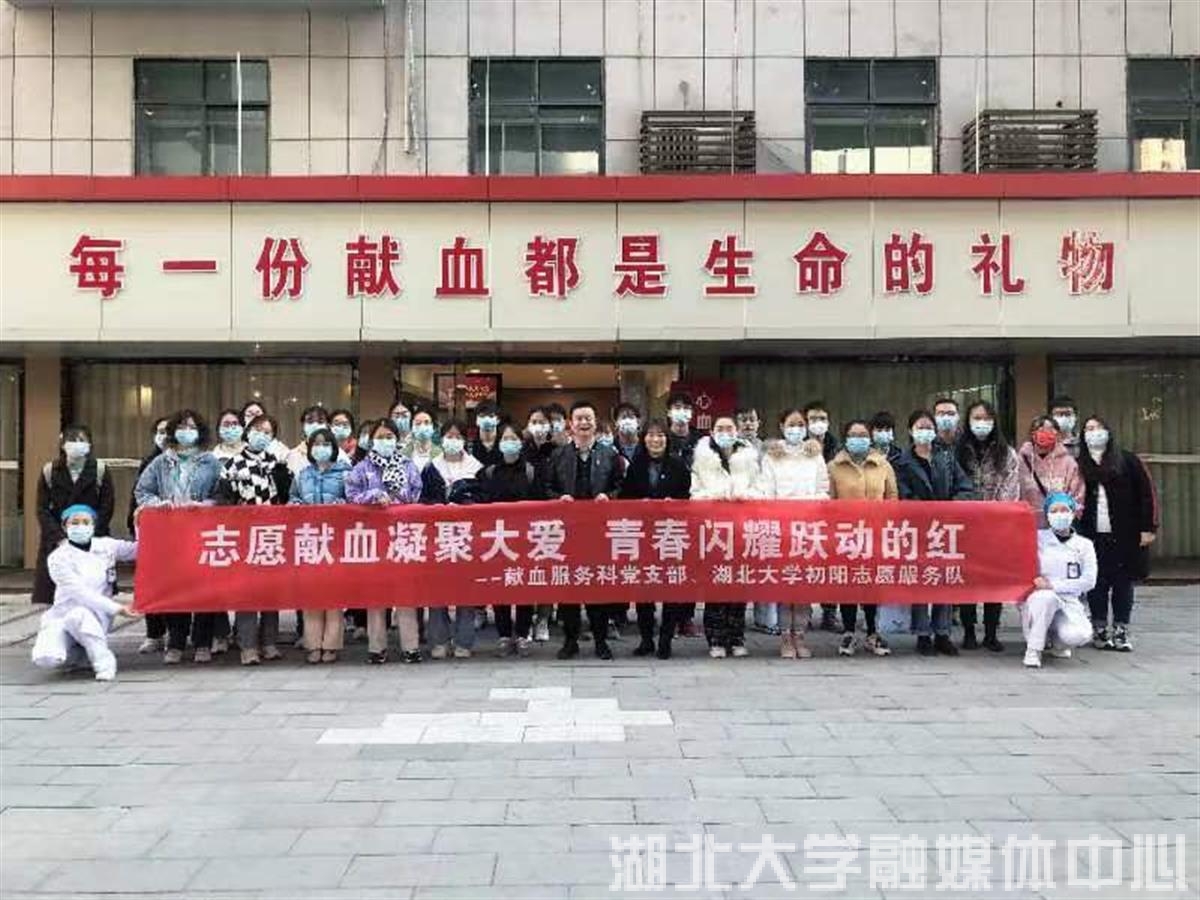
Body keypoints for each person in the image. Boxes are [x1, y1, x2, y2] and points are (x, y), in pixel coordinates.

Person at [134, 409, 223, 664]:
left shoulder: (210, 461)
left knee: (205, 589)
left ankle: (202, 642)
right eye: (182, 427)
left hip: (203, 532)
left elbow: (222, 495)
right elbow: (142, 491)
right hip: (171, 534)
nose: (187, 432)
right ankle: (176, 642)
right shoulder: (161, 462)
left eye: (192, 427)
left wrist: (204, 505)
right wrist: (158, 504)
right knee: (176, 588)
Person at [542, 400, 623, 660]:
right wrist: (559, 498)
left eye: (588, 418)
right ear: (571, 424)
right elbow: (547, 487)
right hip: (567, 533)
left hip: (600, 532)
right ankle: (570, 641)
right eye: (579, 418)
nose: (584, 423)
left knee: (598, 587)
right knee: (569, 589)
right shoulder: (559, 455)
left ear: (595, 422)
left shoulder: (610, 455)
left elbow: (621, 485)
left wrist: (610, 496)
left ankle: (600, 641)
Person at [894, 410, 974, 657]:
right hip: (917, 529)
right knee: (921, 579)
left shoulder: (946, 458)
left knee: (944, 578)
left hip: (946, 528)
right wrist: (923, 510)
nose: (925, 431)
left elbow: (964, 487)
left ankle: (942, 632)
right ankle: (922, 633)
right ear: (910, 431)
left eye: (929, 427)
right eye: (920, 427)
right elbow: (902, 495)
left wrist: (952, 506)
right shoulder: (902, 462)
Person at [31, 505, 139, 682]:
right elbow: (79, 592)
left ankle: (104, 662)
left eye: (85, 522)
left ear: (93, 525)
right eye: (74, 522)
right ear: (65, 526)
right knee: (46, 657)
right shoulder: (58, 558)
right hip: (62, 615)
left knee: (79, 616)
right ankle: (79, 655)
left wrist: (139, 523)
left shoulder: (107, 545)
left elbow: (140, 549)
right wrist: (118, 609)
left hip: (96, 615)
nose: (80, 526)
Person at [216, 414, 292, 665]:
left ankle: (269, 642)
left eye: (268, 432)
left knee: (271, 592)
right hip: (243, 538)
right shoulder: (232, 465)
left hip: (272, 536)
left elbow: (286, 499)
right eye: (258, 429)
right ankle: (248, 645)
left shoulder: (277, 465)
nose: (262, 435)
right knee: (246, 592)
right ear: (248, 431)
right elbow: (223, 502)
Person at [346, 419, 423, 664]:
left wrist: (396, 496)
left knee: (406, 593)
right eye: (380, 437)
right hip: (373, 537)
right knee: (376, 593)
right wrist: (373, 496)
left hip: (402, 535)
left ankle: (411, 646)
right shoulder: (361, 468)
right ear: (371, 440)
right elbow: (351, 495)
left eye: (390, 436)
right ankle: (376, 647)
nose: (385, 441)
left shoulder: (408, 465)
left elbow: (417, 493)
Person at [1077, 416, 1157, 652]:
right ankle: (1100, 628)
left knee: (1123, 582)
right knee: (1097, 582)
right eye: (1089, 429)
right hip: (1092, 534)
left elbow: (1147, 494)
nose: (1094, 432)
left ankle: (1121, 629)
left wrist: (1148, 527)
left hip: (1125, 533)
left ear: (1108, 431)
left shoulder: (1128, 460)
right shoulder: (1080, 463)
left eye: (1098, 427)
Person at [760, 408, 830, 659]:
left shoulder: (815, 456)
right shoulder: (772, 457)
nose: (796, 429)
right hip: (781, 529)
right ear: (781, 426)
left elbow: (823, 490)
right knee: (785, 587)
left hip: (808, 530)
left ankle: (800, 635)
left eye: (801, 424)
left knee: (803, 587)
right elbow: (767, 493)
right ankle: (785, 638)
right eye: (792, 424)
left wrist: (810, 507)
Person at [621, 418, 692, 659]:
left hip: (671, 534)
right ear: (644, 439)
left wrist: (675, 504)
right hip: (643, 535)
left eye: (660, 435)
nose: (655, 439)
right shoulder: (636, 466)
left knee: (671, 586)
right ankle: (646, 639)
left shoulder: (678, 465)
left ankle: (665, 638)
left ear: (667, 439)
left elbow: (687, 496)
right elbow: (625, 497)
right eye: (651, 435)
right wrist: (638, 505)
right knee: (644, 588)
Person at [690, 414, 760, 659]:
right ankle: (716, 638)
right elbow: (694, 493)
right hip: (714, 530)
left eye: (729, 428)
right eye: (720, 428)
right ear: (712, 431)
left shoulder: (748, 457)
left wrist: (745, 496)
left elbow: (760, 488)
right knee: (716, 585)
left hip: (742, 529)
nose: (725, 432)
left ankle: (736, 637)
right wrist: (715, 497)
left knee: (739, 585)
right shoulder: (702, 457)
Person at [827, 418, 898, 658]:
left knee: (871, 584)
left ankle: (872, 632)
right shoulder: (834, 467)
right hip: (845, 535)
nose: (859, 439)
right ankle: (848, 631)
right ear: (846, 439)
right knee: (848, 584)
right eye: (854, 435)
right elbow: (828, 502)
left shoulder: (883, 465)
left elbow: (892, 498)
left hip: (875, 533)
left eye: (863, 435)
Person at [955, 400, 1019, 652]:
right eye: (976, 418)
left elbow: (1010, 489)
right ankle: (969, 631)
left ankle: (991, 633)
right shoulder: (958, 451)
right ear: (968, 421)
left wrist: (994, 515)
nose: (981, 423)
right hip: (965, 525)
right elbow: (955, 484)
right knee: (967, 581)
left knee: (993, 579)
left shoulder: (1007, 453)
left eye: (986, 418)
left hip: (996, 526)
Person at [33, 425, 116, 607]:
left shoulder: (100, 470)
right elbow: (42, 509)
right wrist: (59, 536)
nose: (77, 444)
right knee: (60, 594)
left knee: (94, 593)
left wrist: (91, 533)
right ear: (63, 444)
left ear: (90, 444)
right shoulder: (49, 471)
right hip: (58, 540)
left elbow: (107, 506)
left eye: (82, 440)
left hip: (93, 537)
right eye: (72, 440)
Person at [290, 427, 351, 663]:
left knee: (333, 595)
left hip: (336, 540)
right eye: (316, 444)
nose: (320, 448)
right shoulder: (303, 474)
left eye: (326, 443)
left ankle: (331, 645)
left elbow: (353, 501)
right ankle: (313, 644)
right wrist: (295, 504)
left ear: (333, 447)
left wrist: (342, 504)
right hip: (309, 539)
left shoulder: (345, 473)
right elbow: (293, 497)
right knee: (311, 595)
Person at [481, 421, 540, 656]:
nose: (509, 443)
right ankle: (504, 635)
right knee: (500, 586)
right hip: (498, 540)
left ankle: (523, 634)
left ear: (522, 443)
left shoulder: (531, 471)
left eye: (514, 439)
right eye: (505, 439)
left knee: (525, 586)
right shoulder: (490, 472)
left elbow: (540, 503)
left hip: (526, 539)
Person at [428, 420, 483, 659]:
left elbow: (483, 500)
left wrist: (464, 505)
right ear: (441, 439)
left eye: (457, 436)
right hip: (437, 536)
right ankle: (439, 640)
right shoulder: (431, 468)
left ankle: (464, 641)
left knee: (466, 590)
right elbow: (423, 499)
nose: (453, 440)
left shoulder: (476, 468)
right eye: (448, 436)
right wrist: (438, 507)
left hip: (467, 536)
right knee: (436, 590)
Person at [1022, 493, 1096, 668]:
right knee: (1045, 598)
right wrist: (1042, 585)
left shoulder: (1084, 545)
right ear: (1047, 515)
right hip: (1039, 598)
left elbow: (1089, 581)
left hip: (1069, 600)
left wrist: (1053, 585)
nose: (1059, 514)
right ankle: (1033, 650)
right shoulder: (1036, 538)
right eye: (1054, 511)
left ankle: (1058, 643)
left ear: (1072, 513)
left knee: (1080, 634)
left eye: (1064, 510)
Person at [129, 416, 169, 655]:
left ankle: (177, 634)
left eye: (169, 430)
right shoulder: (149, 462)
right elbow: (137, 495)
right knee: (152, 583)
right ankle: (154, 634)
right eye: (160, 430)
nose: (165, 435)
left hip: (178, 532)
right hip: (152, 532)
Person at [666, 391, 703, 637]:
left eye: (686, 407)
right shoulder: (661, 437)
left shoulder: (701, 440)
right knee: (669, 565)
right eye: (677, 407)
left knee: (691, 565)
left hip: (694, 509)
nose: (681, 412)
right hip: (667, 510)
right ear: (669, 412)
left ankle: (687, 617)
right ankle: (669, 618)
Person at [803, 399, 840, 632]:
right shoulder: (798, 447)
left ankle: (829, 613)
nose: (818, 423)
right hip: (805, 514)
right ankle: (804, 613)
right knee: (806, 563)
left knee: (831, 564)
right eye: (813, 419)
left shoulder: (838, 447)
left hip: (833, 513)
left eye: (822, 419)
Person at [523, 407, 556, 643]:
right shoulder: (521, 449)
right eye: (534, 421)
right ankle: (525, 620)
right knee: (526, 573)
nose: (538, 426)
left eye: (542, 422)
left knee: (546, 571)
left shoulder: (557, 451)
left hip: (551, 519)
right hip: (524, 519)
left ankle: (544, 618)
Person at [1018, 416, 1084, 528]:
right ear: (1032, 434)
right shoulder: (1021, 461)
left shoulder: (1069, 463)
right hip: (1026, 527)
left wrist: (1066, 519)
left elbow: (1077, 496)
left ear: (1057, 434)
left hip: (1059, 527)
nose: (1045, 433)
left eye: (1049, 429)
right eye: (1040, 430)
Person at [286, 405, 330, 475]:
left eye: (320, 421)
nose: (315, 425)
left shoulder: (339, 454)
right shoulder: (293, 455)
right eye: (310, 421)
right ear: (303, 426)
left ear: (327, 425)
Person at [468, 400, 504, 468]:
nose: (486, 419)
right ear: (476, 420)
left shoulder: (505, 444)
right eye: (482, 416)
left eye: (491, 416)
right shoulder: (469, 446)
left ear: (498, 420)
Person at [405, 407, 442, 472]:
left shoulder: (440, 453)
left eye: (426, 423)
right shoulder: (403, 454)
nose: (422, 427)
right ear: (412, 427)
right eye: (418, 423)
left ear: (433, 427)